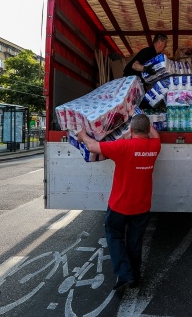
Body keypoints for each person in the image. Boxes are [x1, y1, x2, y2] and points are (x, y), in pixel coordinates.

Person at [76, 114, 161, 294]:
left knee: (114, 236)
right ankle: (135, 277)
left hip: (119, 206)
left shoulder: (123, 146)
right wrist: (145, 121)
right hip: (142, 206)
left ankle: (124, 274)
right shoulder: (155, 146)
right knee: (135, 242)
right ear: (148, 130)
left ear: (130, 130)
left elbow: (92, 147)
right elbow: (154, 134)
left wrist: (82, 134)